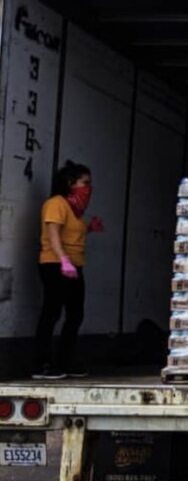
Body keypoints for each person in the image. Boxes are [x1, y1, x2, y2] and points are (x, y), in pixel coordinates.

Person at [33, 160, 103, 379]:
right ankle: (41, 364)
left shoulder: (76, 211)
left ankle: (64, 361)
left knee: (75, 314)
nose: (88, 187)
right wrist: (63, 260)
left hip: (74, 266)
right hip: (55, 264)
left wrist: (89, 229)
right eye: (85, 182)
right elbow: (53, 233)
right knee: (52, 312)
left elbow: (71, 236)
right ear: (71, 182)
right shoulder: (56, 203)